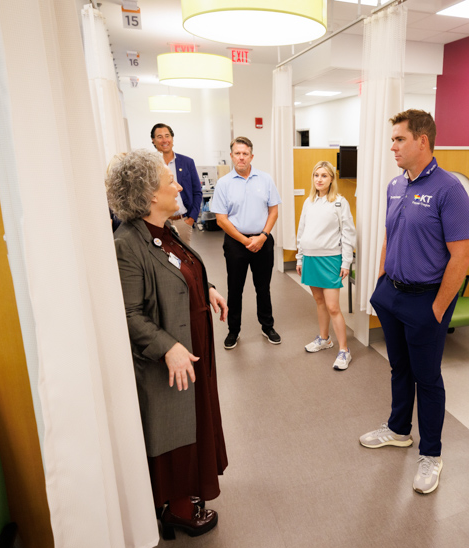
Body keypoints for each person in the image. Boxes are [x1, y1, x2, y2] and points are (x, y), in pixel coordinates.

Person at [107, 148, 229, 537]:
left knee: (194, 422)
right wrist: (168, 347)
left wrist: (204, 286)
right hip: (168, 360)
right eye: (168, 182)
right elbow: (128, 314)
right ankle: (177, 509)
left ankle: (188, 493)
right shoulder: (127, 243)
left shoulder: (165, 230)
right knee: (175, 430)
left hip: (192, 346)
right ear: (147, 196)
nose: (179, 185)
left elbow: (179, 268)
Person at [359, 109, 469, 495]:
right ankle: (397, 430)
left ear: (421, 141)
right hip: (392, 293)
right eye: (392, 139)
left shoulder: (448, 189)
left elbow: (461, 257)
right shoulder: (396, 185)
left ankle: (432, 454)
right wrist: (380, 280)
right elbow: (389, 236)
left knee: (427, 378)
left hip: (427, 299)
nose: (392, 146)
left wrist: (439, 309)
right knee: (398, 368)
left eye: (399, 139)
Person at [213, 136, 282, 350]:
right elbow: (221, 219)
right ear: (231, 156)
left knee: (263, 287)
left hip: (263, 240)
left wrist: (262, 236)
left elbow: (274, 210)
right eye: (237, 153)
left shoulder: (265, 179)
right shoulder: (224, 183)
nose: (241, 157)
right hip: (236, 243)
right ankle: (233, 330)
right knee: (235, 288)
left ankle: (267, 326)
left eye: (245, 153)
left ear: (251, 156)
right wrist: (245, 241)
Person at [296, 160, 356, 370]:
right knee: (319, 301)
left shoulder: (340, 202)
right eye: (316, 175)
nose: (319, 179)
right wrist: (300, 257)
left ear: (331, 179)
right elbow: (302, 231)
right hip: (310, 258)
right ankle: (324, 339)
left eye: (324, 175)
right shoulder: (308, 202)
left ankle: (344, 350)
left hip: (331, 259)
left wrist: (346, 261)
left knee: (333, 306)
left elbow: (348, 233)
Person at [151, 123, 203, 244]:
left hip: (182, 221)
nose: (164, 140)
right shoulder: (151, 165)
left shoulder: (187, 162)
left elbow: (197, 191)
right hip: (160, 221)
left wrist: (191, 219)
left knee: (184, 258)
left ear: (172, 138)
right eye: (159, 137)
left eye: (167, 136)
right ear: (153, 141)